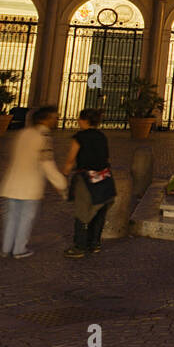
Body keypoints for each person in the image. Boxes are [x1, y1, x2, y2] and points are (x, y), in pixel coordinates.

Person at [0, 105, 67, 258]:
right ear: (46, 119)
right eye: (54, 117)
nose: (56, 120)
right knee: (25, 218)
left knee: (11, 217)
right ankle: (19, 249)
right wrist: (61, 184)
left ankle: (6, 247)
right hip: (29, 186)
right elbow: (47, 163)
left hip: (11, 183)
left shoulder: (23, 133)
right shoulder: (44, 137)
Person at [62, 108, 115, 258]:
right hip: (104, 177)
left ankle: (80, 246)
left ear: (85, 120)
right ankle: (95, 243)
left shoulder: (80, 137)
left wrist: (64, 175)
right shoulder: (102, 136)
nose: (78, 121)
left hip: (86, 178)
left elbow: (70, 159)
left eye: (80, 118)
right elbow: (106, 158)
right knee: (99, 210)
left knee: (83, 211)